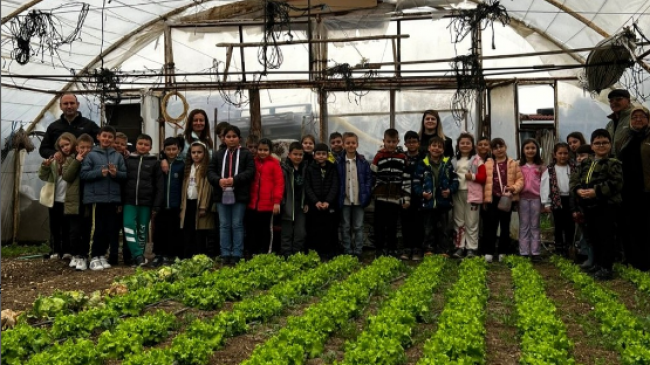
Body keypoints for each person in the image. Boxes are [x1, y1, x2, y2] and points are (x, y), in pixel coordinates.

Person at [570, 129, 623, 281]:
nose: (601, 146)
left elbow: (616, 184)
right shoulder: (586, 163)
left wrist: (596, 192)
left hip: (606, 206)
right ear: (591, 146)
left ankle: (606, 268)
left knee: (606, 236)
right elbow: (575, 179)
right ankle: (598, 264)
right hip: (589, 206)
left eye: (604, 142)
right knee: (594, 236)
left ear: (610, 144)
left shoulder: (614, 163)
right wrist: (578, 190)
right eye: (597, 143)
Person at [80, 125, 127, 271]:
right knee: (96, 229)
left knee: (108, 228)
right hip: (96, 199)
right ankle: (93, 256)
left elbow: (124, 175)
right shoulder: (91, 155)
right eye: (104, 136)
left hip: (112, 199)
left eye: (110, 137)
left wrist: (115, 173)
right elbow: (83, 175)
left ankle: (101, 255)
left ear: (113, 140)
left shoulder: (117, 156)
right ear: (98, 137)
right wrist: (99, 173)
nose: (106, 139)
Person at [208, 125, 255, 265]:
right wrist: (219, 181)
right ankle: (225, 253)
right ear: (224, 139)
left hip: (239, 195)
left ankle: (237, 253)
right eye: (228, 137)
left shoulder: (246, 154)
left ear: (239, 139)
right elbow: (210, 172)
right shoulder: (218, 154)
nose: (231, 139)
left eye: (234, 136)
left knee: (237, 224)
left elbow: (250, 172)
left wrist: (235, 180)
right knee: (224, 224)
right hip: (221, 195)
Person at [38, 133, 84, 265]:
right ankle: (56, 250)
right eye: (62, 146)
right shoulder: (55, 160)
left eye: (67, 144)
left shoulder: (76, 159)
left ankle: (67, 250)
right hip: (54, 199)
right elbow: (42, 176)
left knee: (67, 226)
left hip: (68, 199)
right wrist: (45, 166)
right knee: (55, 226)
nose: (65, 148)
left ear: (73, 143)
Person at [123, 134, 164, 267]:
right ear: (136, 144)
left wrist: (156, 205)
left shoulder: (155, 163)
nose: (143, 146)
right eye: (140, 144)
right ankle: (138, 255)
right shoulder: (128, 160)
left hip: (146, 203)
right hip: (129, 201)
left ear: (150, 147)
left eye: (146, 145)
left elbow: (159, 185)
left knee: (142, 229)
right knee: (128, 226)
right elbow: (122, 181)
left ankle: (138, 259)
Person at [413, 136, 459, 256]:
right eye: (434, 146)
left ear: (443, 150)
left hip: (443, 202)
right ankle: (429, 249)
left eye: (439, 147)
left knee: (443, 228)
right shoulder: (422, 164)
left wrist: (449, 190)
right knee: (428, 227)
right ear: (429, 148)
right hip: (428, 202)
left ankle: (444, 249)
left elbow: (455, 180)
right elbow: (416, 182)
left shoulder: (447, 164)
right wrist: (421, 193)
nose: (436, 149)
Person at [619, 105, 650, 271]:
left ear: (648, 119)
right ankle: (631, 259)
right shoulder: (626, 137)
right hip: (627, 190)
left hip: (645, 190)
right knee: (629, 225)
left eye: (642, 116)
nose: (638, 120)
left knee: (645, 226)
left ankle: (645, 262)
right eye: (634, 117)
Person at [482, 138, 523, 263]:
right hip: (492, 199)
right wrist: (484, 199)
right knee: (491, 225)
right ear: (491, 151)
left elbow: (520, 180)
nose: (499, 149)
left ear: (506, 147)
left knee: (505, 225)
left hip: (507, 199)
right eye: (495, 148)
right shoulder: (487, 164)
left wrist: (514, 188)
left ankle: (502, 251)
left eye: (501, 146)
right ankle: (489, 251)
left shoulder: (513, 163)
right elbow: (483, 183)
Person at [371, 128, 410, 257]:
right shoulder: (378, 156)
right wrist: (373, 191)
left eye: (394, 141)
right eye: (389, 141)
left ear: (398, 141)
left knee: (392, 224)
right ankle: (380, 249)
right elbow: (372, 175)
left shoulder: (403, 158)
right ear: (384, 141)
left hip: (395, 197)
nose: (391, 144)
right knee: (379, 224)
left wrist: (406, 197)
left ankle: (392, 249)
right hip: (380, 197)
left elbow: (406, 178)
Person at [336, 132, 371, 258]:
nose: (351, 145)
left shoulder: (363, 162)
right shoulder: (339, 162)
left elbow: (368, 179)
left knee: (358, 226)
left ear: (357, 144)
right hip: (344, 199)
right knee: (345, 226)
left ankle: (358, 250)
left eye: (353, 143)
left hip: (359, 199)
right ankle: (347, 250)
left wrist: (366, 194)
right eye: (348, 143)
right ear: (344, 145)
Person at [247, 138, 284, 255]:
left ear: (270, 151)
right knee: (253, 229)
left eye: (265, 150)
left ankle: (265, 253)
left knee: (266, 230)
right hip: (253, 204)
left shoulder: (274, 164)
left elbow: (279, 184)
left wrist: (277, 202)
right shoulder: (253, 162)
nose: (262, 152)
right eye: (260, 149)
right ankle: (253, 251)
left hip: (268, 205)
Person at [151, 137, 185, 266]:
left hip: (175, 204)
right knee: (159, 230)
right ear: (164, 150)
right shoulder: (159, 164)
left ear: (179, 149)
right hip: (161, 204)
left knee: (174, 230)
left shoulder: (181, 165)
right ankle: (158, 254)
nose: (171, 152)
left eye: (174, 149)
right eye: (168, 149)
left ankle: (170, 255)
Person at [452, 133, 486, 259]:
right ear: (458, 145)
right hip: (457, 193)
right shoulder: (454, 160)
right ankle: (459, 247)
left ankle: (471, 248)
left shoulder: (478, 160)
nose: (465, 145)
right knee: (458, 221)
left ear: (472, 145)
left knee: (472, 222)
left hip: (473, 195)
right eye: (462, 143)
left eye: (468, 143)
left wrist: (472, 176)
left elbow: (483, 177)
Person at [39, 93, 100, 161]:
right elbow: (43, 149)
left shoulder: (89, 125)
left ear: (77, 105)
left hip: (85, 167)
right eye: (65, 103)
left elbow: (101, 143)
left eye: (72, 103)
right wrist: (55, 154)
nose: (69, 106)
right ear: (60, 106)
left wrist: (89, 152)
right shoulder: (53, 127)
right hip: (62, 168)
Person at [304, 143, 339, 259]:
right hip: (315, 205)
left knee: (329, 228)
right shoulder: (309, 169)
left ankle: (329, 252)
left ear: (327, 155)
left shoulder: (332, 168)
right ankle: (316, 252)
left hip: (329, 205)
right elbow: (307, 186)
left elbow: (335, 185)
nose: (321, 156)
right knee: (315, 228)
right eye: (318, 154)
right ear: (314, 155)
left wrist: (328, 201)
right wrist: (316, 202)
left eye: (324, 154)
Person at [541, 143, 576, 257]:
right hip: (557, 200)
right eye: (560, 153)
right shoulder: (550, 169)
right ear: (554, 155)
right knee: (558, 225)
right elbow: (545, 186)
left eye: (565, 153)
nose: (563, 156)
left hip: (570, 200)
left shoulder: (573, 167)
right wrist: (546, 202)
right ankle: (559, 248)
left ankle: (569, 248)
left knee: (570, 225)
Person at [181, 141, 215, 259]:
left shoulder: (206, 169)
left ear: (205, 154)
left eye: (199, 152)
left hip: (200, 203)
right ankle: (188, 256)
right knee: (188, 230)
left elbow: (207, 189)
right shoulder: (188, 168)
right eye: (193, 152)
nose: (196, 155)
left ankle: (200, 256)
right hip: (188, 203)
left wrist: (203, 206)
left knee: (200, 232)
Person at [517, 139, 546, 261]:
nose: (530, 150)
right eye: (527, 148)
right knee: (524, 225)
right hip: (522, 199)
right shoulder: (518, 165)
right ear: (523, 150)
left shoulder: (541, 167)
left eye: (533, 148)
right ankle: (523, 251)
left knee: (535, 225)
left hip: (536, 199)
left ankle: (535, 252)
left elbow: (545, 184)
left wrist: (545, 201)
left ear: (537, 150)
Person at [280, 142, 308, 257]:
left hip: (300, 204)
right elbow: (280, 186)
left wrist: (306, 202)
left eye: (300, 155)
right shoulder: (284, 169)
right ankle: (286, 254)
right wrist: (282, 202)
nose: (298, 157)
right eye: (295, 154)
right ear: (289, 155)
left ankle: (297, 253)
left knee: (300, 231)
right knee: (287, 231)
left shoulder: (305, 168)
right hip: (287, 204)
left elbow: (307, 187)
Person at [401, 131, 425, 261]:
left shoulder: (423, 158)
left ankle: (417, 248)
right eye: (409, 142)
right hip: (405, 194)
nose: (411, 144)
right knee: (406, 222)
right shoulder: (402, 158)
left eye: (414, 142)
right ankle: (407, 247)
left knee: (418, 222)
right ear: (405, 144)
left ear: (418, 143)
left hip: (419, 195)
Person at [109, 131, 131, 266]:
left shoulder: (128, 159)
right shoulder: (107, 158)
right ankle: (113, 256)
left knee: (126, 228)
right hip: (112, 198)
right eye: (116, 143)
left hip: (125, 198)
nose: (119, 146)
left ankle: (128, 256)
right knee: (113, 230)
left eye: (122, 144)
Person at [571, 144, 594, 268]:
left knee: (592, 234)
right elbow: (573, 190)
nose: (579, 158)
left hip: (592, 206)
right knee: (586, 234)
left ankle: (593, 259)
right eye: (578, 156)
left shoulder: (594, 168)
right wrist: (574, 209)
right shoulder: (577, 170)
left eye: (582, 155)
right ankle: (587, 257)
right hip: (581, 206)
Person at [75, 134, 94, 271]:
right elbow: (68, 176)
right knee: (77, 228)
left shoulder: (95, 160)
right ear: (77, 148)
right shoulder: (74, 160)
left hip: (91, 198)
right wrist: (77, 162)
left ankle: (87, 254)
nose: (86, 150)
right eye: (82, 147)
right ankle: (78, 254)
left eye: (88, 147)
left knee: (89, 227)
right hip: (76, 199)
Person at [605, 89, 633, 158]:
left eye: (618, 99)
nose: (614, 102)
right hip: (612, 164)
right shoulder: (610, 124)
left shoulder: (635, 119)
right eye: (611, 101)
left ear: (628, 101)